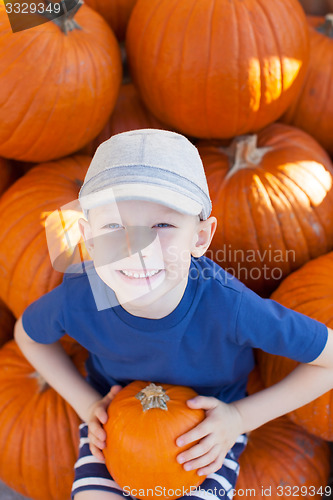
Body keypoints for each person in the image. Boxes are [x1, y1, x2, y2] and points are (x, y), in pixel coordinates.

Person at [14, 129, 333, 500]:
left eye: (162, 226)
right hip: (115, 423)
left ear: (200, 237)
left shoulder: (227, 305)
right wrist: (86, 403)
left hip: (205, 435)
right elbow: (28, 336)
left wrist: (240, 419)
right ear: (88, 236)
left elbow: (328, 360)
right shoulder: (82, 296)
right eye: (115, 226)